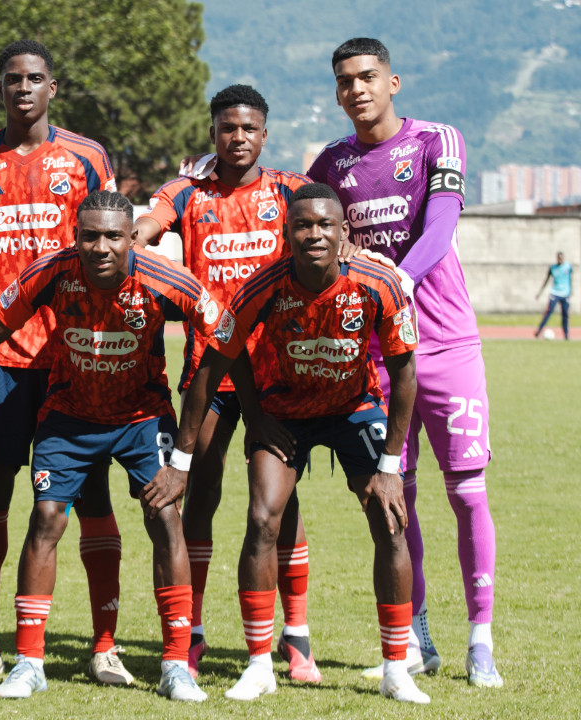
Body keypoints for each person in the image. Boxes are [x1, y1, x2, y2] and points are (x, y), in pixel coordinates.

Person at [182, 183, 429, 704]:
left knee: (389, 518)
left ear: (344, 233)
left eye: (324, 225)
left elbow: (405, 373)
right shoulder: (262, 285)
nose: (313, 234)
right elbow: (218, 360)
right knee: (261, 519)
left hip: (354, 409)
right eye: (302, 225)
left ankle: (395, 668)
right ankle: (257, 666)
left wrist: (390, 465)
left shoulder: (378, 282)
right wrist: (251, 416)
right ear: (286, 232)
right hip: (285, 411)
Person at [306, 38, 502, 687]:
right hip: (379, 355)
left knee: (468, 493)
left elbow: (440, 228)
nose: (356, 89)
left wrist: (396, 283)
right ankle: (414, 641)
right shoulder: (332, 163)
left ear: (394, 82)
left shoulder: (437, 141)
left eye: (367, 77)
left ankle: (481, 641)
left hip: (446, 344)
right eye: (344, 81)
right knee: (395, 499)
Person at [0, 190, 228, 703]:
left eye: (113, 236)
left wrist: (181, 458)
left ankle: (175, 664)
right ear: (75, 237)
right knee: (46, 518)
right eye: (89, 235)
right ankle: (29, 662)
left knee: (164, 518)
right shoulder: (51, 271)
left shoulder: (163, 280)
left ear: (130, 238)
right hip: (68, 418)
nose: (101, 247)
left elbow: (224, 338)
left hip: (142, 419)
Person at [0, 40, 128, 684]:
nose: (23, 88)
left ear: (53, 87)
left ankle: (103, 642)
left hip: (77, 359)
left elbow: (116, 241)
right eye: (11, 80)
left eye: (34, 79)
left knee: (91, 498)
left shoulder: (86, 158)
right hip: (2, 360)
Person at [133, 85, 321, 681]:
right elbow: (143, 230)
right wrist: (148, 257)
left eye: (249, 128)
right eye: (227, 127)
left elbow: (332, 236)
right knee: (201, 497)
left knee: (278, 506)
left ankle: (297, 636)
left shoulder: (289, 192)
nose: (237, 137)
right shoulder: (187, 192)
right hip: (208, 372)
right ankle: (190, 632)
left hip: (276, 375)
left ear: (265, 134)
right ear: (213, 131)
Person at [534, 251, 570, 339]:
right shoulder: (553, 268)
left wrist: (570, 291)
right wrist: (540, 293)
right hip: (555, 293)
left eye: (561, 258)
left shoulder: (568, 267)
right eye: (559, 258)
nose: (560, 260)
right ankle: (539, 331)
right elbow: (546, 280)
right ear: (557, 258)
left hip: (565, 294)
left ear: (563, 259)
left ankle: (566, 335)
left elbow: (570, 279)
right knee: (548, 312)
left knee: (565, 314)